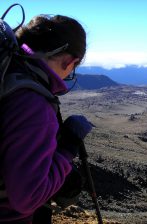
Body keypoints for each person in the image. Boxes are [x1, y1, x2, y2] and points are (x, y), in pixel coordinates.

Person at [0, 14, 92, 223]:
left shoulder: (9, 72)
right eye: (72, 70)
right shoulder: (33, 104)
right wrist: (68, 147)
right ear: (70, 61)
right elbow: (28, 198)